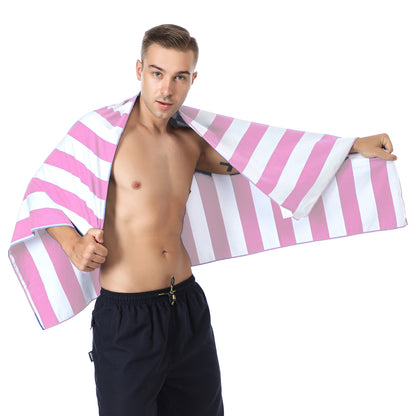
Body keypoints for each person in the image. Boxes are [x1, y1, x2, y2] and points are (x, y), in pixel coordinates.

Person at [44, 24, 397, 416]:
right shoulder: (102, 135)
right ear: (139, 69)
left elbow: (268, 161)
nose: (167, 89)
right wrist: (73, 244)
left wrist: (351, 147)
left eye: (179, 77)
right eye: (157, 73)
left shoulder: (191, 142)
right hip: (128, 317)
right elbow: (44, 192)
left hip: (186, 306)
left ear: (192, 79)